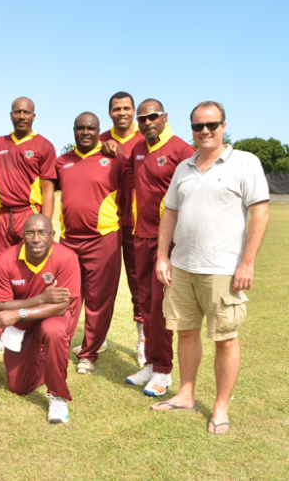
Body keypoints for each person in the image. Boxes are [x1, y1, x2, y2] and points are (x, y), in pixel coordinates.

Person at [151, 101, 269, 435]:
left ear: (223, 126)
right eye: (198, 126)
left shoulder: (245, 162)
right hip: (182, 266)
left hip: (223, 269)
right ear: (191, 129)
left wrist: (247, 263)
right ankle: (186, 394)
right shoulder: (184, 167)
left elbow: (260, 213)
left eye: (212, 125)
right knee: (186, 331)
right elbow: (170, 213)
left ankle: (220, 407)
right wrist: (162, 256)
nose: (205, 131)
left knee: (225, 338)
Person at [124, 99, 195, 396]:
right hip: (141, 236)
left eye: (152, 116)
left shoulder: (181, 150)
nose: (147, 122)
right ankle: (152, 364)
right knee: (144, 304)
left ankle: (164, 371)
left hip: (169, 241)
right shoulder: (138, 148)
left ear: (164, 117)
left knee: (160, 306)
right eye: (142, 119)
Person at [0, 214, 81, 424]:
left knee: (54, 332)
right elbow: (2, 306)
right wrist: (40, 298)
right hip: (21, 325)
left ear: (52, 235)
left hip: (51, 317)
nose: (36, 239)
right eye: (30, 233)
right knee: (18, 387)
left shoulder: (66, 257)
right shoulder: (5, 260)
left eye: (42, 233)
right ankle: (48, 360)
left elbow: (60, 306)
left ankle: (57, 395)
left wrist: (20, 312)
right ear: (22, 236)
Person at [57, 113, 126, 375]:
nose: (85, 132)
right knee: (66, 298)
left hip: (103, 238)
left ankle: (88, 353)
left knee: (99, 300)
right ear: (73, 130)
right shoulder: (62, 162)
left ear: (100, 131)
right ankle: (60, 346)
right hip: (69, 241)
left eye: (91, 128)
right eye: (80, 128)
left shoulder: (115, 159)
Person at [99, 92, 146, 365]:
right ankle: (97, 336)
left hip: (139, 223)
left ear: (134, 111)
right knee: (101, 283)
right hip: (108, 222)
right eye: (117, 108)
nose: (122, 113)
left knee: (139, 284)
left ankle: (143, 340)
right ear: (110, 113)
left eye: (127, 108)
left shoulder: (145, 136)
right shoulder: (100, 137)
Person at [0, 97, 57, 258]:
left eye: (26, 112)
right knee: (3, 265)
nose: (22, 116)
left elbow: (48, 192)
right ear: (11, 115)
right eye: (17, 112)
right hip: (1, 215)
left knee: (31, 265)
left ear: (33, 116)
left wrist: (45, 225)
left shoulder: (44, 146)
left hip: (29, 212)